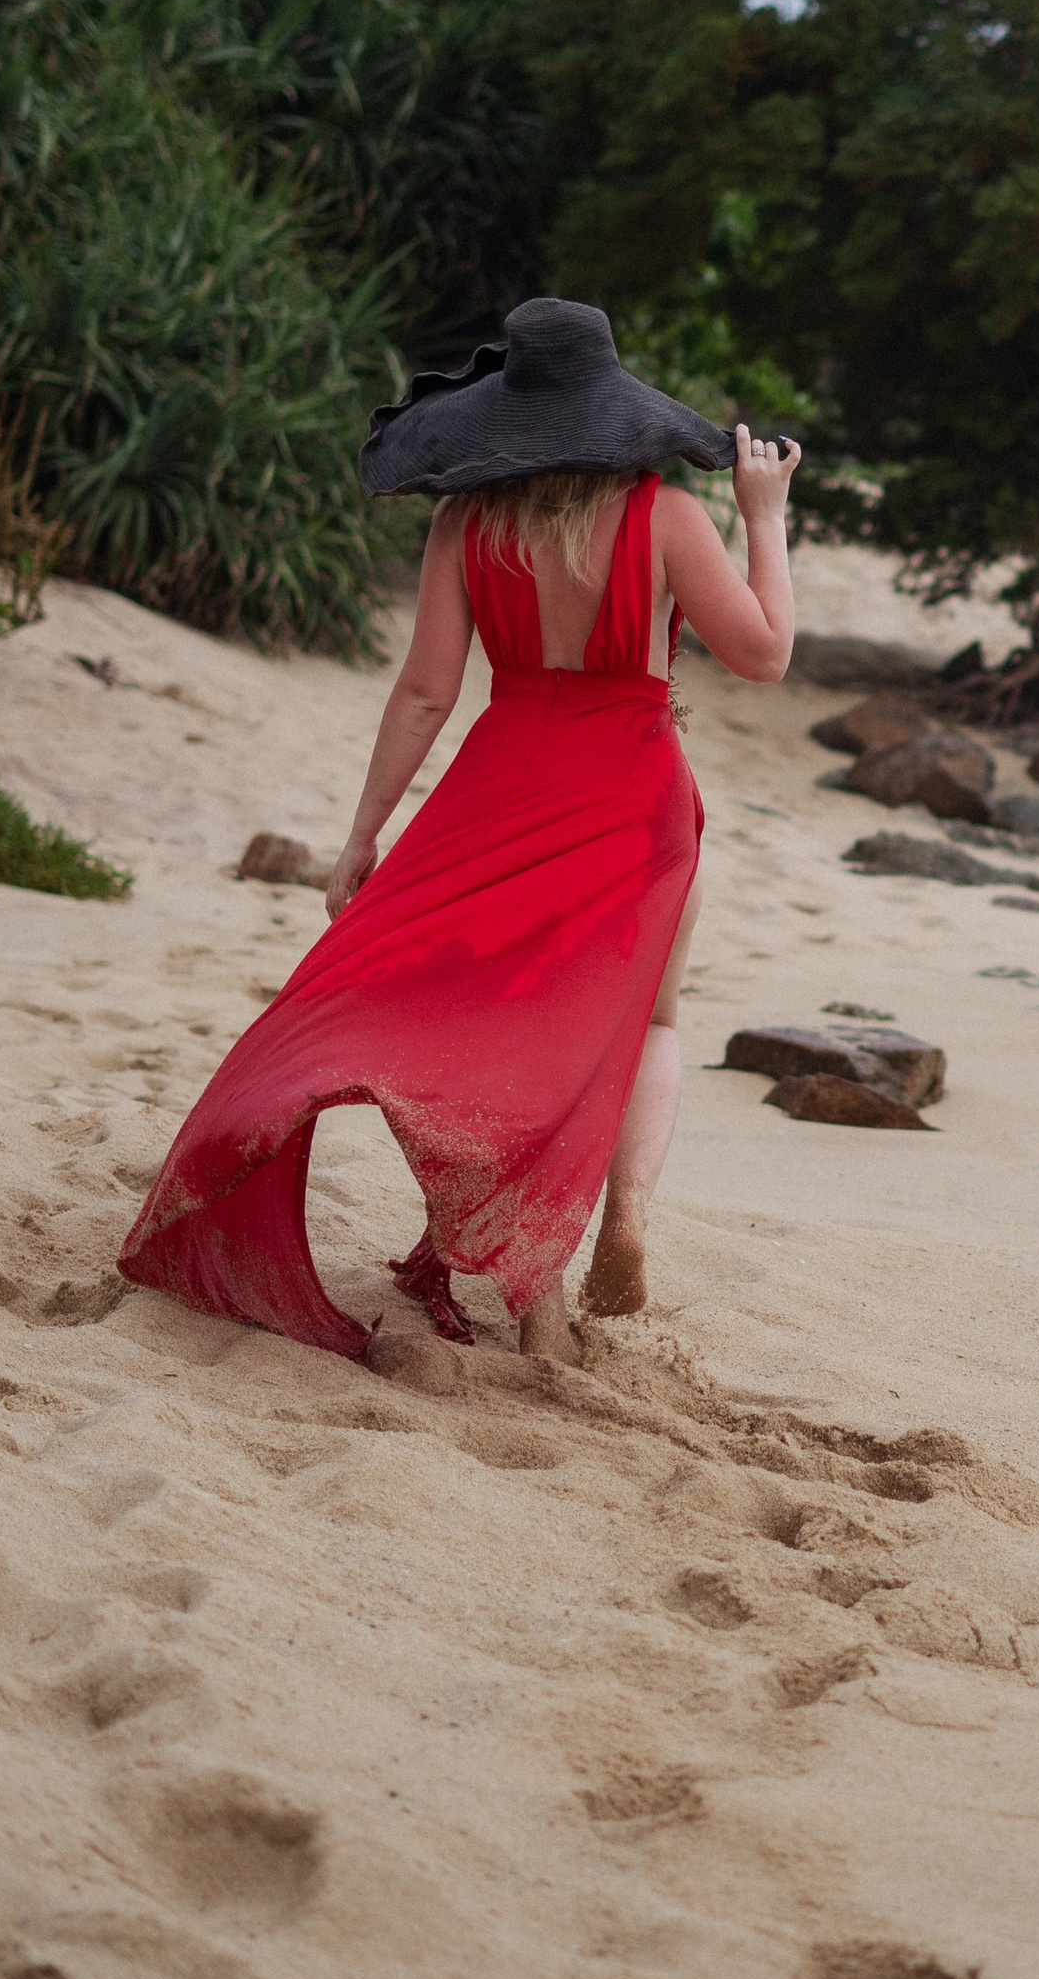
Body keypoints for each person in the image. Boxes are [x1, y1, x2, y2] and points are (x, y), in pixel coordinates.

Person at [119, 301, 799, 1363]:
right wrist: (766, 516)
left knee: (487, 1020)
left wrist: (363, 836)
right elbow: (763, 655)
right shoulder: (669, 517)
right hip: (637, 794)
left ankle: (529, 1278)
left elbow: (427, 694)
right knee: (647, 1024)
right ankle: (620, 1217)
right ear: (616, 410)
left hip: (499, 791)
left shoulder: (465, 526)